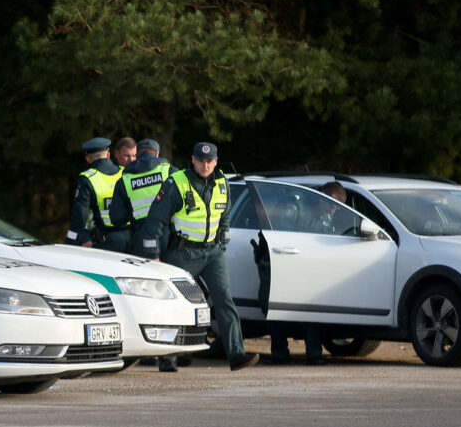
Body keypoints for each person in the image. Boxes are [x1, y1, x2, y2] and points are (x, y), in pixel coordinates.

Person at [139, 142, 259, 372]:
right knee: (175, 303)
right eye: (201, 161)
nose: (206, 165)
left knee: (225, 300)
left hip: (212, 252)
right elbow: (156, 220)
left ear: (216, 161)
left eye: (210, 161)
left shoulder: (222, 182)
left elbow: (224, 213)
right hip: (183, 252)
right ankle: (168, 356)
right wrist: (153, 255)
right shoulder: (177, 182)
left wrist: (222, 242)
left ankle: (236, 354)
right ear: (193, 160)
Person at [264, 181, 347, 365]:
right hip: (286, 264)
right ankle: (279, 353)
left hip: (311, 270)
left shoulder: (327, 216)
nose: (333, 209)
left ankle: (314, 354)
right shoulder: (295, 205)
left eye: (337, 207)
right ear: (321, 196)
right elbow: (281, 234)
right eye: (331, 204)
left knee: (311, 312)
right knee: (276, 309)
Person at [109, 139, 177, 256]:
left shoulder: (124, 180)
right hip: (169, 235)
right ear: (156, 154)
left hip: (141, 237)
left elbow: (116, 219)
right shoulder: (170, 171)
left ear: (137, 155)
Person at [64, 137, 131, 253]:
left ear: (88, 159)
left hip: (106, 242)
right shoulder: (125, 173)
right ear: (108, 155)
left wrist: (72, 242)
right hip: (132, 238)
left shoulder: (88, 178)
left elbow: (80, 215)